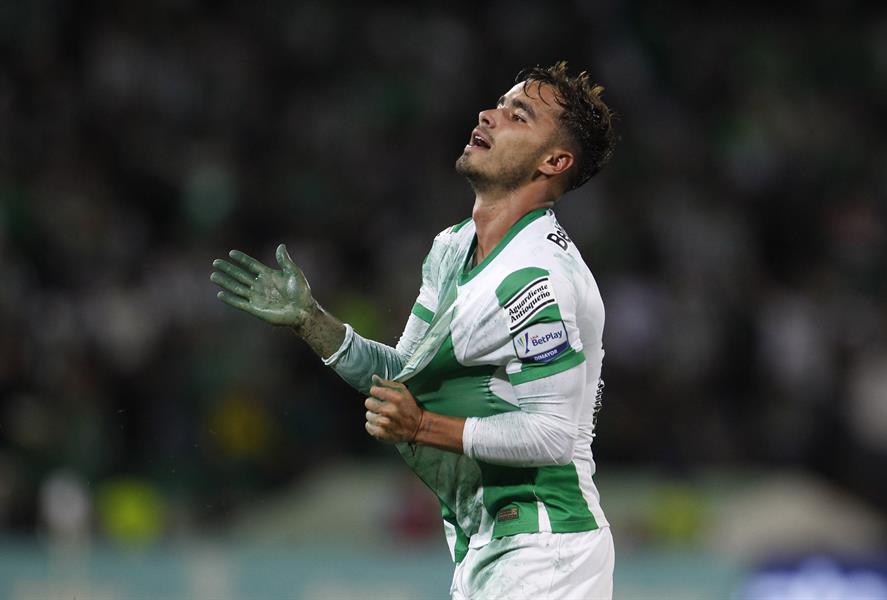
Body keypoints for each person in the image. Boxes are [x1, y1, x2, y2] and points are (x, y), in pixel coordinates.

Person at [210, 61, 617, 599]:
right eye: (498, 103)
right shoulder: (451, 248)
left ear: (554, 161)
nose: (489, 115)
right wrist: (314, 322)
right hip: (487, 542)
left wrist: (422, 426)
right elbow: (404, 377)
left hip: (548, 544)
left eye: (518, 115)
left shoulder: (535, 279)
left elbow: (552, 434)